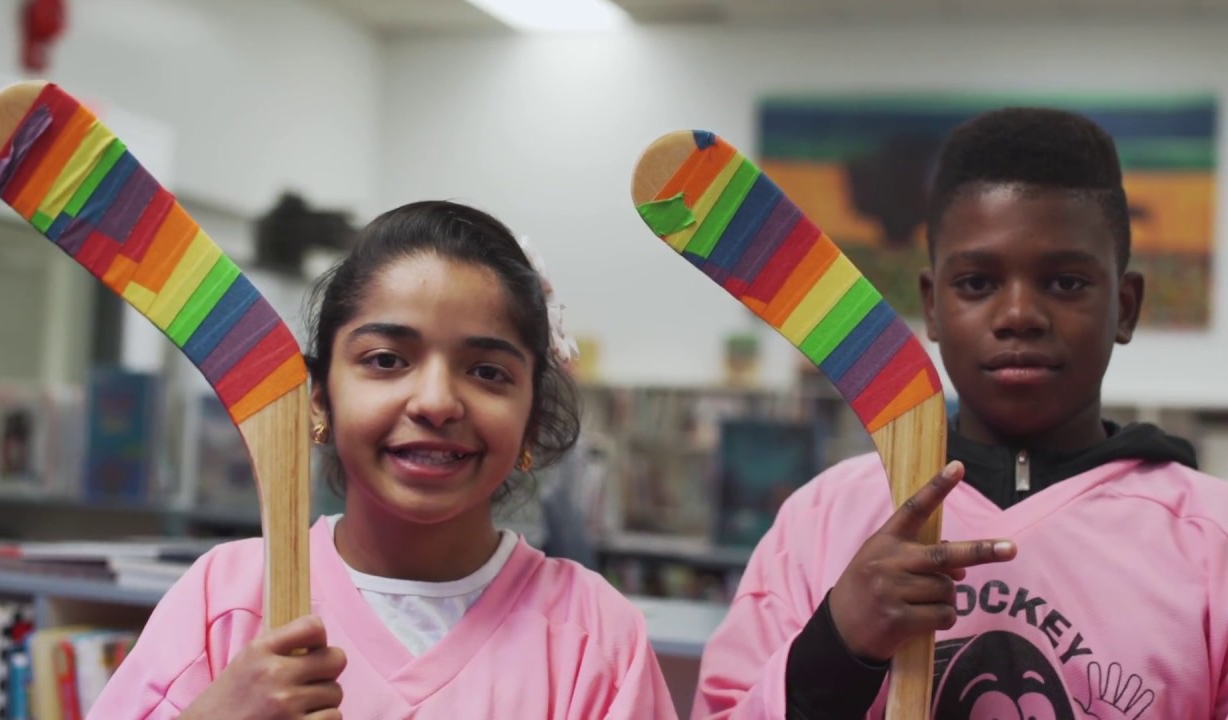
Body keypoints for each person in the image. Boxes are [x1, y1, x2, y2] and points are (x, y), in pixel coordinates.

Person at [692, 107, 1228, 719]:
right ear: (933, 307)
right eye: (977, 283)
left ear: (1125, 306)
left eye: (1066, 283)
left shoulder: (1211, 541)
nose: (1019, 315)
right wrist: (838, 646)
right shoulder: (822, 520)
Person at [89, 200, 679, 719]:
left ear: (531, 419)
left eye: (486, 371)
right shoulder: (226, 598)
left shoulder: (595, 637)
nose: (436, 402)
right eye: (387, 361)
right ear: (319, 398)